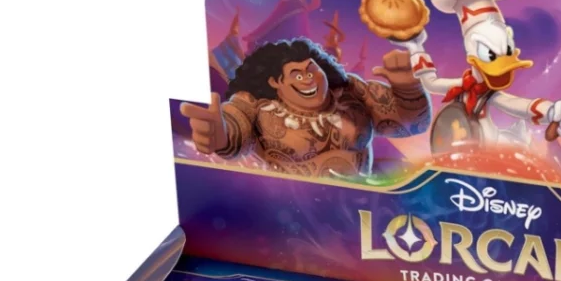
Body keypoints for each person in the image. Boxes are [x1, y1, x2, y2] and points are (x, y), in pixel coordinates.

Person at [181, 37, 430, 177]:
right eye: (298, 75)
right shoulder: (256, 105)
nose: (309, 79)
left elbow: (412, 125)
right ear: (275, 82)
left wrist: (408, 88)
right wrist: (219, 135)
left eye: (312, 70)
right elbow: (235, 127)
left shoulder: (351, 91)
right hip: (293, 222)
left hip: (362, 210)